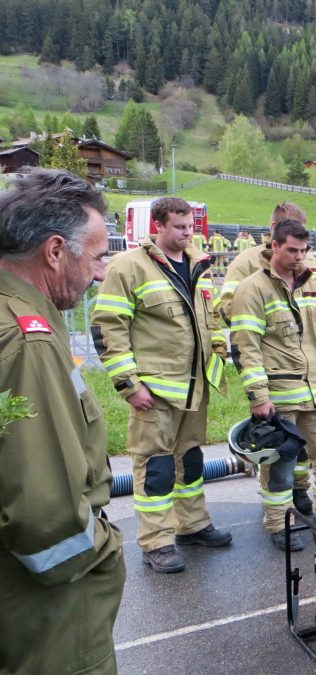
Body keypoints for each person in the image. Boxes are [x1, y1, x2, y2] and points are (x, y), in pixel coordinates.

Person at [0, 169, 125, 673]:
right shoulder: (28, 341)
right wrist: (104, 553)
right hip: (50, 615)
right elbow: (46, 521)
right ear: (55, 251)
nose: (99, 274)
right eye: (95, 257)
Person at [91, 196, 233, 573]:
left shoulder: (198, 263)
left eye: (191, 227)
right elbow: (108, 329)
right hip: (154, 391)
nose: (188, 233)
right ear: (158, 226)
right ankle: (157, 542)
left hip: (195, 387)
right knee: (155, 467)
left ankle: (193, 525)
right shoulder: (129, 268)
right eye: (180, 227)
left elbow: (212, 315)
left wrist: (218, 347)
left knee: (190, 460)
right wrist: (129, 385)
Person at [229, 220, 316, 551]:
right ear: (274, 246)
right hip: (279, 400)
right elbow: (245, 346)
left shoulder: (311, 283)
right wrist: (258, 397)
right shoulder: (253, 289)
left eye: (304, 250)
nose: (299, 257)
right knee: (281, 469)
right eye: (292, 250)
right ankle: (278, 525)